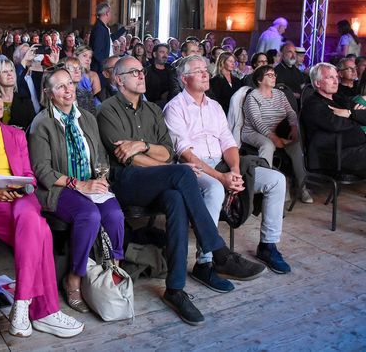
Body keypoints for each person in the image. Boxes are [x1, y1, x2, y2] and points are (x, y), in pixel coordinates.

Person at [97, 56, 264, 325]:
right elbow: (126, 158)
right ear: (118, 80)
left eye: (142, 71)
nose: (141, 75)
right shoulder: (108, 110)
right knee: (184, 171)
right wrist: (154, 158)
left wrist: (143, 146)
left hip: (157, 179)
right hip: (126, 182)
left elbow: (165, 153)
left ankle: (175, 289)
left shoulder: (152, 109)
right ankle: (218, 252)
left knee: (176, 197)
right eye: (134, 72)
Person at [0, 83, 84, 339]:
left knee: (29, 216)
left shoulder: (15, 134)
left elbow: (29, 176)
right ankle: (44, 311)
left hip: (19, 198)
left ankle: (22, 305)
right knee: (41, 230)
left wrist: (19, 184)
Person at [164, 56, 290, 280]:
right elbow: (185, 153)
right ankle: (206, 262)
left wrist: (234, 171)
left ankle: (268, 245)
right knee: (214, 188)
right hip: (192, 169)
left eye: (206, 69)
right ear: (184, 79)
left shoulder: (214, 106)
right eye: (198, 71)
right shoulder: (174, 107)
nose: (205, 74)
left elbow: (228, 142)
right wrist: (221, 178)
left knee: (276, 180)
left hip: (223, 165)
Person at [28, 69, 125, 314]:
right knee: (89, 215)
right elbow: (41, 169)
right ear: (49, 94)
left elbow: (101, 156)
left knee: (114, 215)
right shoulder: (42, 123)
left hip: (91, 184)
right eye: (59, 87)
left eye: (69, 83)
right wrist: (79, 185)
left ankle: (112, 271)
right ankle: (74, 278)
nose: (68, 90)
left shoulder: (87, 119)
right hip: (59, 187)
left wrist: (100, 178)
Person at [240, 65, 312, 203]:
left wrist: (293, 127)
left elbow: (290, 112)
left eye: (274, 75)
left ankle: (302, 187)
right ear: (260, 80)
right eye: (270, 75)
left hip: (278, 131)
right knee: (268, 145)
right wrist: (274, 138)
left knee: (296, 146)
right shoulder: (253, 97)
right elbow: (257, 122)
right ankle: (262, 190)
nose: (274, 78)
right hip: (254, 132)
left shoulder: (279, 94)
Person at [301, 63, 366, 176]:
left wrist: (349, 113)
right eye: (330, 77)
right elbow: (336, 125)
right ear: (317, 83)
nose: (336, 81)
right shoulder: (313, 104)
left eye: (336, 77)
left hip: (353, 148)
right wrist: (356, 116)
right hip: (333, 155)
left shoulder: (339, 98)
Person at [0, 58, 36, 130]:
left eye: (11, 70)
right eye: (4, 72)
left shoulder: (25, 100)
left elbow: (33, 128)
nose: (10, 74)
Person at [89, 2, 127, 77]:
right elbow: (97, 52)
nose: (111, 15)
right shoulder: (99, 29)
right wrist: (105, 67)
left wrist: (124, 29)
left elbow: (108, 40)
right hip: (101, 70)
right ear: (107, 13)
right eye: (110, 12)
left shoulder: (102, 27)